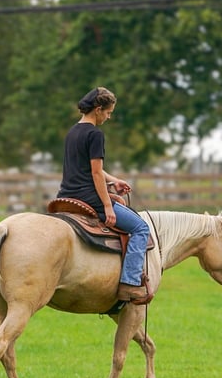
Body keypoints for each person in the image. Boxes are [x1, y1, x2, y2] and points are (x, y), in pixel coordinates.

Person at [57, 87, 153, 305]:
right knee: (141, 228)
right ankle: (129, 283)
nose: (108, 117)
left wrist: (114, 180)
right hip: (89, 198)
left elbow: (92, 169)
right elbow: (96, 173)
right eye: (108, 113)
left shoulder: (72, 132)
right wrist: (108, 206)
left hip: (67, 195)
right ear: (98, 109)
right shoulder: (95, 134)